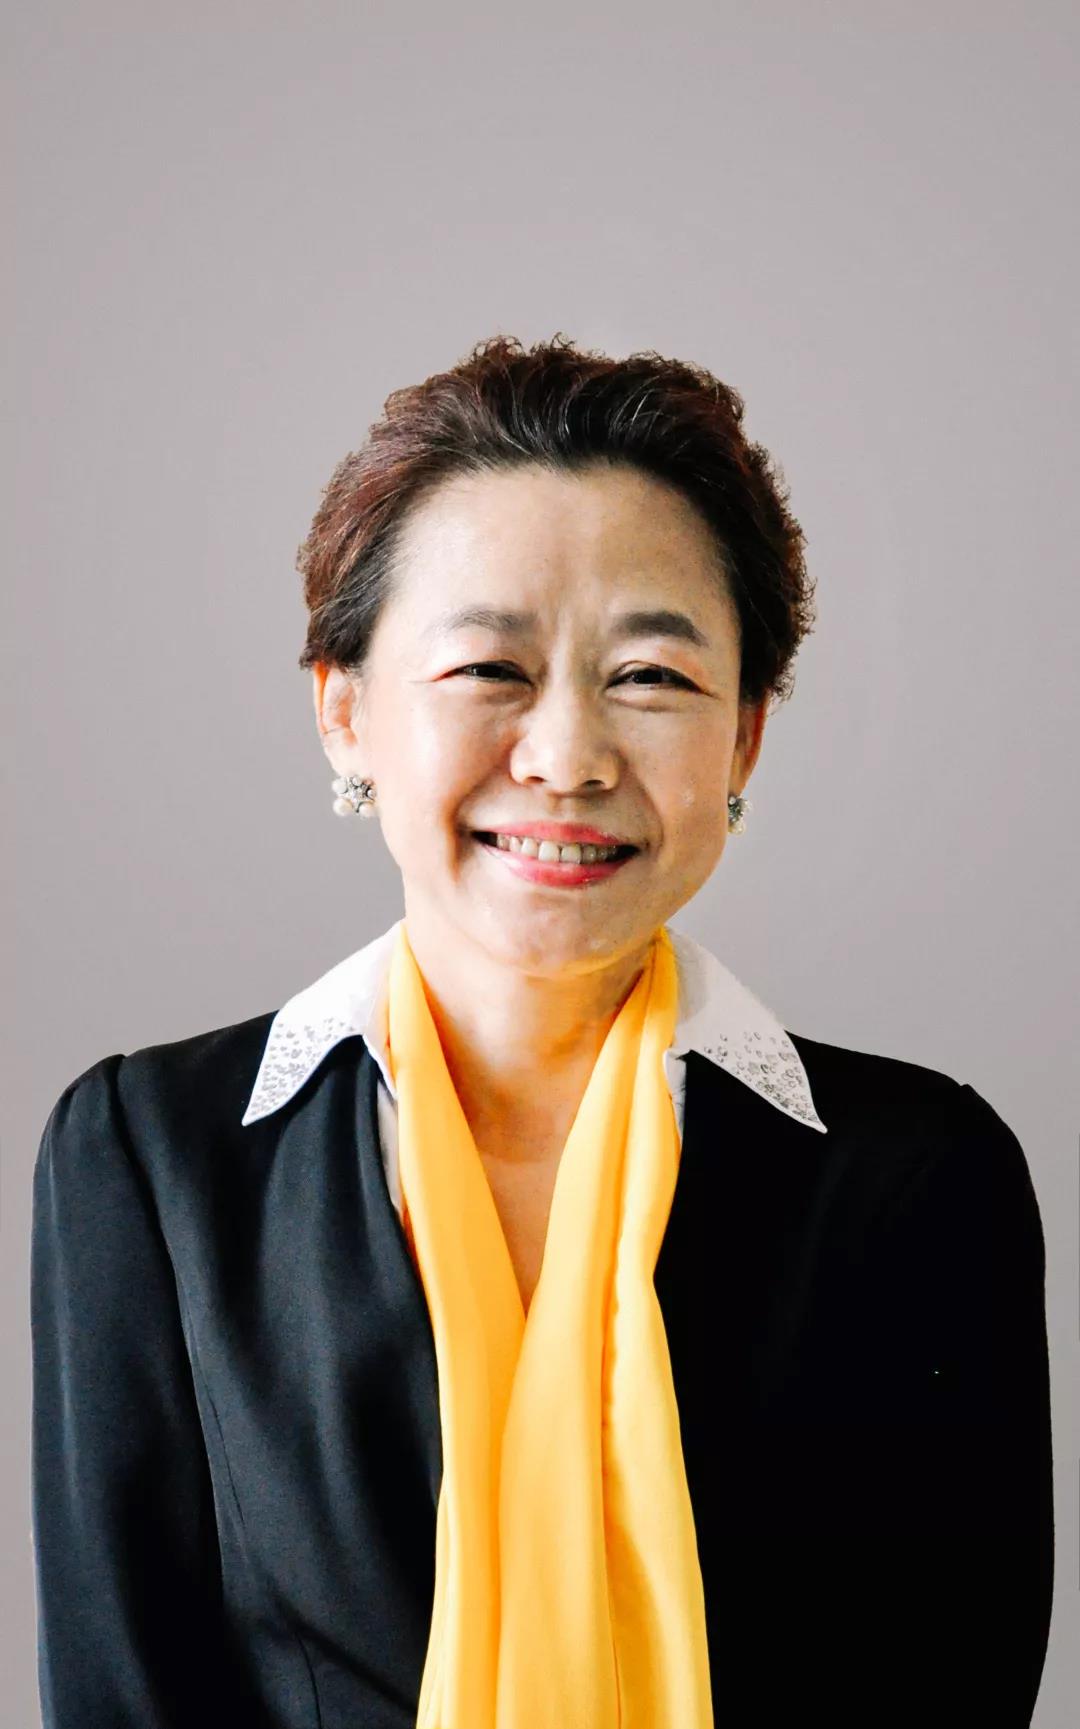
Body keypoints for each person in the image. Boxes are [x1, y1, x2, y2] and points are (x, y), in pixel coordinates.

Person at [30, 333, 1054, 1729]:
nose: (567, 755)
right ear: (345, 711)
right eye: (487, 667)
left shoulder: (923, 1175)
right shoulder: (154, 1159)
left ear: (744, 738)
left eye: (651, 677)